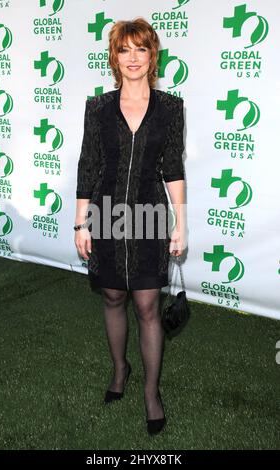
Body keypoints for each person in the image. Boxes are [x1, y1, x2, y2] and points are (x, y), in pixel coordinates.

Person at [74, 17, 185, 436]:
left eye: (141, 49)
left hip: (149, 214)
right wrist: (80, 222)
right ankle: (120, 370)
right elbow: (88, 164)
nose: (133, 58)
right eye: (125, 49)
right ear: (114, 57)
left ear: (151, 55)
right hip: (104, 212)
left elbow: (172, 168)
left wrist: (180, 223)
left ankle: (151, 393)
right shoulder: (98, 107)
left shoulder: (171, 108)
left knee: (147, 306)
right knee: (113, 295)